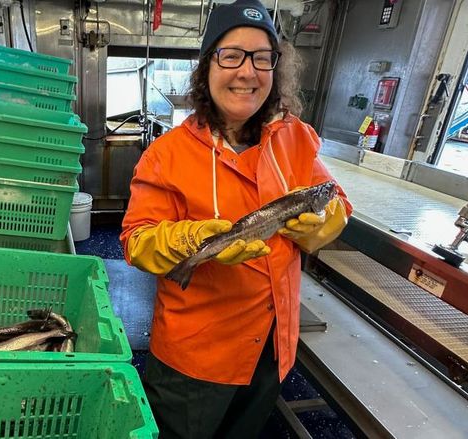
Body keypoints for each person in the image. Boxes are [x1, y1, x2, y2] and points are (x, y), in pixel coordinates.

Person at [119, 1, 353, 437]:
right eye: (231, 55)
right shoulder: (167, 154)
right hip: (198, 355)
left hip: (272, 344)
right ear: (207, 67)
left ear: (275, 70)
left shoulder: (295, 138)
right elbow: (136, 241)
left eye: (262, 58)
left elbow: (335, 199)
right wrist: (192, 240)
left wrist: (324, 222)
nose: (247, 72)